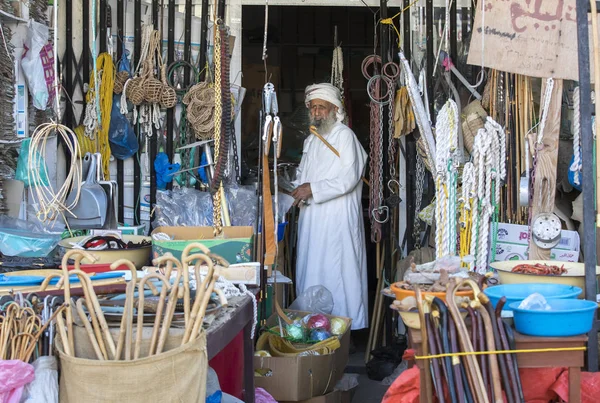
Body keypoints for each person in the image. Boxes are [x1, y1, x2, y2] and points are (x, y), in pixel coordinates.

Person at [291, 83, 368, 330]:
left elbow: (348, 177)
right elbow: (302, 176)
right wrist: (292, 190)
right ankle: (313, 324)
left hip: (336, 219)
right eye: (313, 108)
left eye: (321, 107)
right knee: (311, 268)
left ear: (335, 109)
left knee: (338, 272)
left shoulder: (344, 136)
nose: (316, 112)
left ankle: (343, 327)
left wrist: (312, 189)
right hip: (312, 218)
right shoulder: (311, 141)